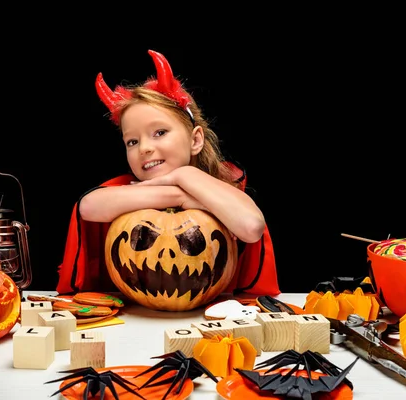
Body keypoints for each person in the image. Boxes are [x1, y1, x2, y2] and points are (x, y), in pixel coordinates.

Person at [56, 49, 279, 297]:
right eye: (132, 142)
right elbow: (88, 206)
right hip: (134, 315)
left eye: (159, 132)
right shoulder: (127, 188)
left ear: (195, 140)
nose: (145, 148)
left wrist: (185, 176)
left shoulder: (224, 186)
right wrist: (180, 196)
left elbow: (250, 226)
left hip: (216, 315)